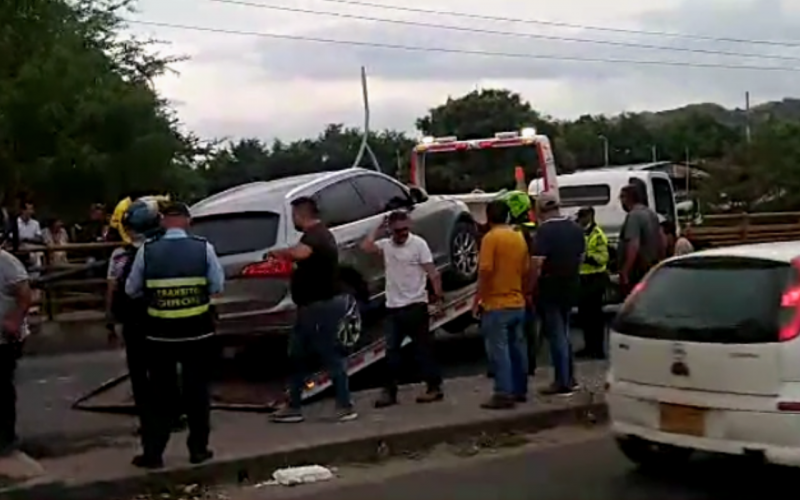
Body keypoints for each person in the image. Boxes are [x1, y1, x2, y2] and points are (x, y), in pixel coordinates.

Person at [125, 201, 224, 469]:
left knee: (161, 397)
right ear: (187, 221)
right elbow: (217, 285)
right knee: (198, 394)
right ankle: (198, 450)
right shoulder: (204, 248)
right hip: (197, 333)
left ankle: (154, 454)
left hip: (160, 336)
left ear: (164, 221)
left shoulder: (147, 250)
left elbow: (131, 289)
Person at [268, 197, 357, 424]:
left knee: (328, 353)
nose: (294, 220)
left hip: (320, 305)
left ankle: (345, 406)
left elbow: (301, 253)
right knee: (297, 355)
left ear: (301, 214)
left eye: (294, 215)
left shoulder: (316, 235)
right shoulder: (319, 234)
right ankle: (293, 406)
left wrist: (278, 253)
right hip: (310, 306)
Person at [361, 210, 444, 408]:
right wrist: (377, 227)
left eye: (405, 229)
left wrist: (437, 298)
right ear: (390, 230)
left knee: (423, 350)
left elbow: (432, 272)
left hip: (416, 305)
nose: (402, 233)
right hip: (393, 307)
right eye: (398, 230)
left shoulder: (418, 244)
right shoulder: (386, 245)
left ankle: (434, 387)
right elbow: (365, 246)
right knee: (391, 352)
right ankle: (389, 392)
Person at [473, 199, 530, 409]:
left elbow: (485, 271)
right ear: (507, 216)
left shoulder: (490, 238)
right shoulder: (519, 237)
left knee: (499, 351)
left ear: (488, 217)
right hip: (517, 302)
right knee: (517, 349)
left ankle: (503, 393)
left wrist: (478, 299)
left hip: (496, 304)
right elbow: (525, 270)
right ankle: (520, 390)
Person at [531, 192, 585, 396]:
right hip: (571, 286)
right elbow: (581, 257)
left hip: (550, 287)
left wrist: (530, 288)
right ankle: (570, 377)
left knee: (557, 335)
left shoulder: (544, 232)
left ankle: (562, 381)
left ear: (540, 211)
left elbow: (537, 264)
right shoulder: (575, 228)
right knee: (566, 332)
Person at [502, 190, 539, 376]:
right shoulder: (533, 227)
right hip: (531, 284)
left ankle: (522, 367)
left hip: (520, 286)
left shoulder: (517, 232)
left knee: (519, 332)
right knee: (529, 330)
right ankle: (530, 364)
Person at [0, 242, 32, 455]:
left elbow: (24, 294)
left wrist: (14, 321)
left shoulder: (6, 262)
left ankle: (6, 437)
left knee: (2, 386)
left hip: (4, 338)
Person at [617, 185, 663, 297]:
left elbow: (633, 244)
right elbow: (662, 239)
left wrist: (626, 271)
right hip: (652, 266)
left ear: (628, 198)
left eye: (621, 197)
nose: (621, 201)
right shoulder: (651, 214)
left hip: (638, 270)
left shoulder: (634, 216)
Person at [575, 207, 609, 360]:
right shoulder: (580, 232)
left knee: (595, 316)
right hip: (583, 278)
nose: (580, 219)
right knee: (584, 315)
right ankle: (588, 346)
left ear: (590, 216)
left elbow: (603, 258)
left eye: (582, 216)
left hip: (595, 277)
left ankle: (598, 349)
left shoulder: (598, 234)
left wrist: (587, 258)